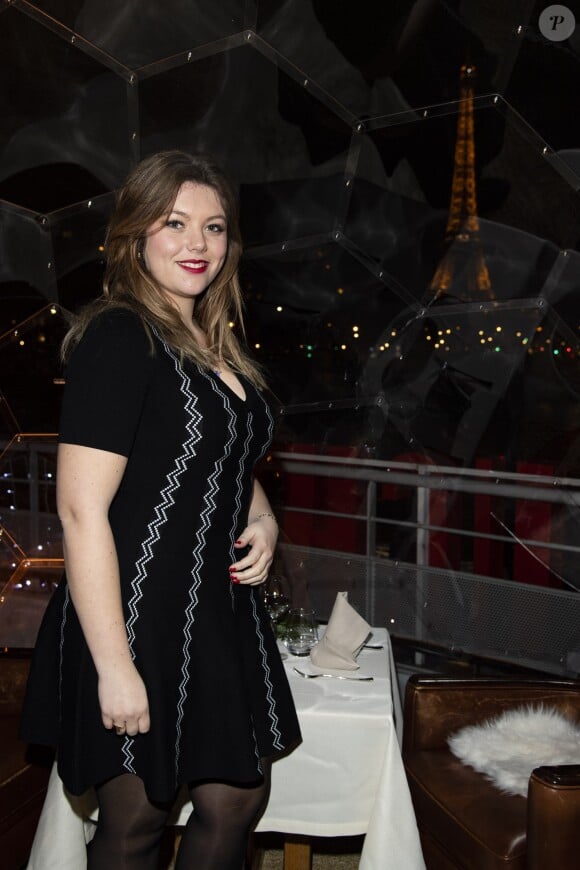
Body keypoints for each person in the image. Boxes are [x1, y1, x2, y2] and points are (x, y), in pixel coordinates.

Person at [20, 150, 301, 870]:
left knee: (236, 801)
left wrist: (263, 518)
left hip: (213, 613)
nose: (197, 244)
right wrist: (114, 666)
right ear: (136, 234)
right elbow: (81, 512)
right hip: (135, 612)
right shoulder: (121, 337)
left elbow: (229, 457)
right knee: (137, 823)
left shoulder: (215, 344)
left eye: (212, 227)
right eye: (175, 223)